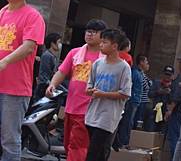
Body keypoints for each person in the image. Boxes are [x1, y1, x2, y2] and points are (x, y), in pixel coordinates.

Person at [0, 0, 46, 161]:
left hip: (15, 89)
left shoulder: (33, 16)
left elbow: (28, 47)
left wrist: (4, 62)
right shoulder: (2, 12)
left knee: (9, 139)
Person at [47, 19, 107, 161]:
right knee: (68, 145)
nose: (89, 34)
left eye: (94, 32)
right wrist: (52, 85)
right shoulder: (75, 53)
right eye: (88, 31)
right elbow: (61, 72)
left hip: (89, 110)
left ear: (102, 36)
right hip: (70, 107)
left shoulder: (106, 58)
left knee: (77, 146)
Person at [84, 29, 131, 161]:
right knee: (98, 153)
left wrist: (103, 94)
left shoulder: (124, 67)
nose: (101, 45)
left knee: (94, 152)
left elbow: (125, 93)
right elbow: (90, 84)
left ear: (115, 46)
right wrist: (90, 90)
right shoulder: (98, 63)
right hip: (92, 113)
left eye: (104, 42)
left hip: (108, 117)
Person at [114, 47, 143, 151]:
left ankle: (121, 142)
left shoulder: (137, 72)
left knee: (128, 121)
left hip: (132, 99)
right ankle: (122, 142)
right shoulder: (132, 70)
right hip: (130, 99)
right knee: (127, 121)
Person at [166, 54, 181, 159]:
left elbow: (177, 95)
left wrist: (170, 110)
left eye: (180, 62)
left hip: (177, 111)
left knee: (175, 138)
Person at [35, 32, 62, 100]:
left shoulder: (52, 56)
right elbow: (44, 76)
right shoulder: (47, 56)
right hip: (44, 89)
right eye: (59, 42)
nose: (60, 45)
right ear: (52, 44)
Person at [149, 65, 175, 132]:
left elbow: (175, 100)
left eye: (169, 75)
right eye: (166, 74)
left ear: (172, 76)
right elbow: (150, 94)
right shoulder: (157, 83)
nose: (167, 77)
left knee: (162, 132)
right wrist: (159, 92)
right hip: (155, 111)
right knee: (152, 130)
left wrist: (169, 93)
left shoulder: (173, 86)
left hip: (166, 113)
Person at [134, 55, 152, 130]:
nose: (148, 64)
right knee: (138, 119)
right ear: (141, 62)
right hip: (140, 101)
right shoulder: (139, 74)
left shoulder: (143, 75)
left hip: (144, 102)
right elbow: (147, 86)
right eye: (146, 62)